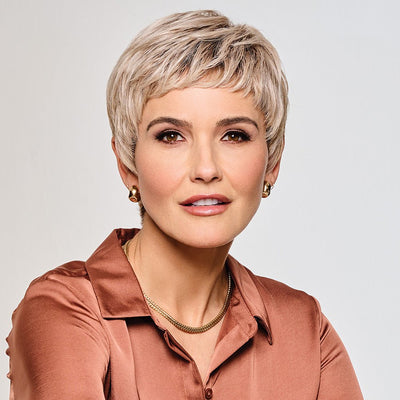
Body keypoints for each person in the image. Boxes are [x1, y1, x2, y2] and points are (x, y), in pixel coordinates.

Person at [6, 10, 363, 399]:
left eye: (234, 135)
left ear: (272, 163)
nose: (206, 169)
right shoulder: (65, 310)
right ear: (127, 164)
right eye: (171, 136)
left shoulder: (306, 331)